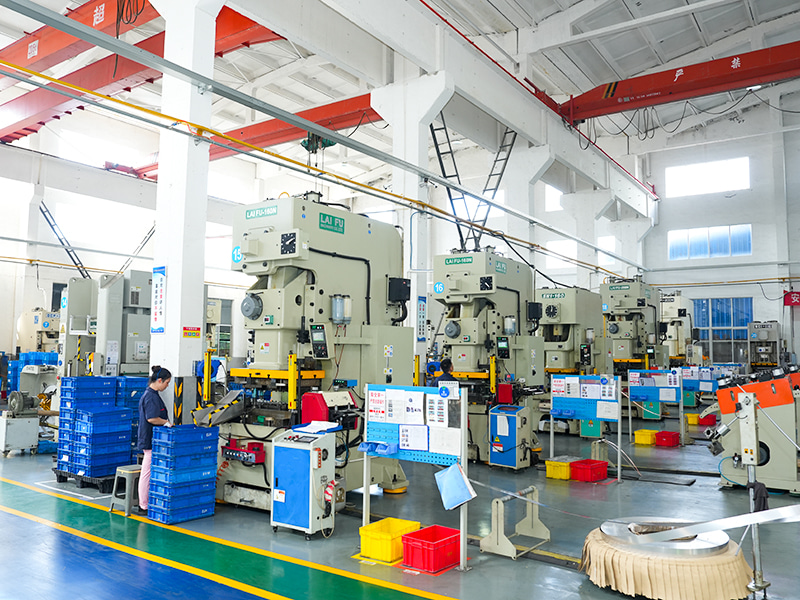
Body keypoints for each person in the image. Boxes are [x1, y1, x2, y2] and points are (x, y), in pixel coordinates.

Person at [137, 365, 173, 516]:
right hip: (150, 440)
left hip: (152, 439)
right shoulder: (151, 397)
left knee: (148, 471)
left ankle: (146, 502)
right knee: (147, 473)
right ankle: (143, 505)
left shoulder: (152, 394)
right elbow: (151, 418)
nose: (167, 386)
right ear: (159, 380)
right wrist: (166, 423)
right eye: (167, 383)